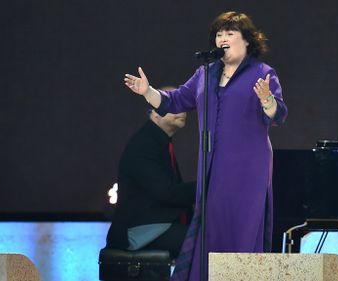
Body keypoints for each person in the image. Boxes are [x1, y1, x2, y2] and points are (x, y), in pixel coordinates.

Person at [123, 11, 288, 281]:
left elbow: (279, 115)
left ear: (247, 40)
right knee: (210, 232)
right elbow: (174, 101)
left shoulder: (262, 73)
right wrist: (147, 91)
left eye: (230, 33)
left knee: (241, 230)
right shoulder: (206, 73)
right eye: (219, 34)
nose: (222, 38)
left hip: (248, 168)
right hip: (213, 168)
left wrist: (267, 99)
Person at [106, 109, 196, 259]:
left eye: (184, 106)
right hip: (138, 231)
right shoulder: (144, 144)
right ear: (154, 113)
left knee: (207, 235)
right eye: (174, 105)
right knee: (205, 242)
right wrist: (206, 188)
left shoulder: (157, 141)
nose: (182, 111)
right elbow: (166, 192)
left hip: (156, 225)